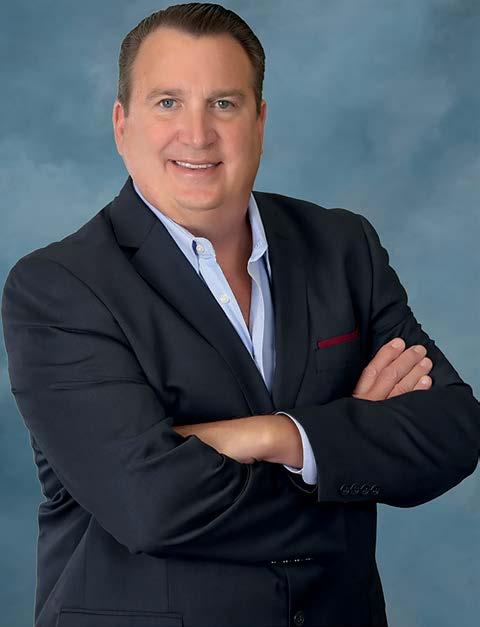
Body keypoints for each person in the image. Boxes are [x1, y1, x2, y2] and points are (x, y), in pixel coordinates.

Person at [1, 3, 479, 627]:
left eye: (223, 103)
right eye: (167, 102)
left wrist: (277, 435)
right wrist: (343, 450)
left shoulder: (343, 247)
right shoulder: (59, 287)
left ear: (259, 121)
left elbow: (452, 432)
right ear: (122, 124)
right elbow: (152, 505)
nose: (197, 134)